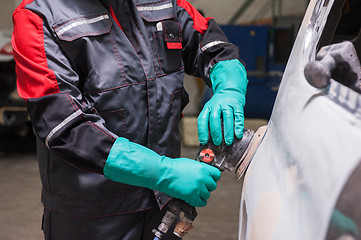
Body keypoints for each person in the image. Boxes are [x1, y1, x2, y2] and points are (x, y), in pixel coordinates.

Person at [12, 0, 248, 239]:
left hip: (163, 204)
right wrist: (164, 172)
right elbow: (65, 127)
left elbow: (213, 45)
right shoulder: (39, 16)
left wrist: (229, 89)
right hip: (90, 218)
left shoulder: (165, 3)